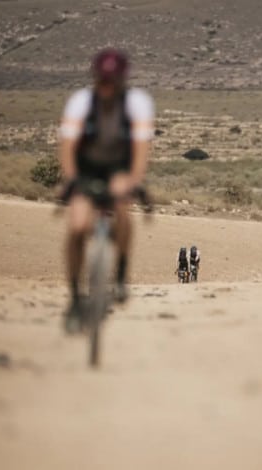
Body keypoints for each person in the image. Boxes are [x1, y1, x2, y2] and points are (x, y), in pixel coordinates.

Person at [59, 48, 155, 332]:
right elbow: (67, 148)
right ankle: (76, 298)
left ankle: (121, 274)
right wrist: (71, 179)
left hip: (119, 167)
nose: (107, 87)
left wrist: (134, 181)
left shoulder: (137, 103)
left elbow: (140, 150)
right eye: (102, 81)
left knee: (122, 205)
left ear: (122, 81)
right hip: (86, 167)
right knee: (77, 226)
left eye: (112, 81)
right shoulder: (80, 102)